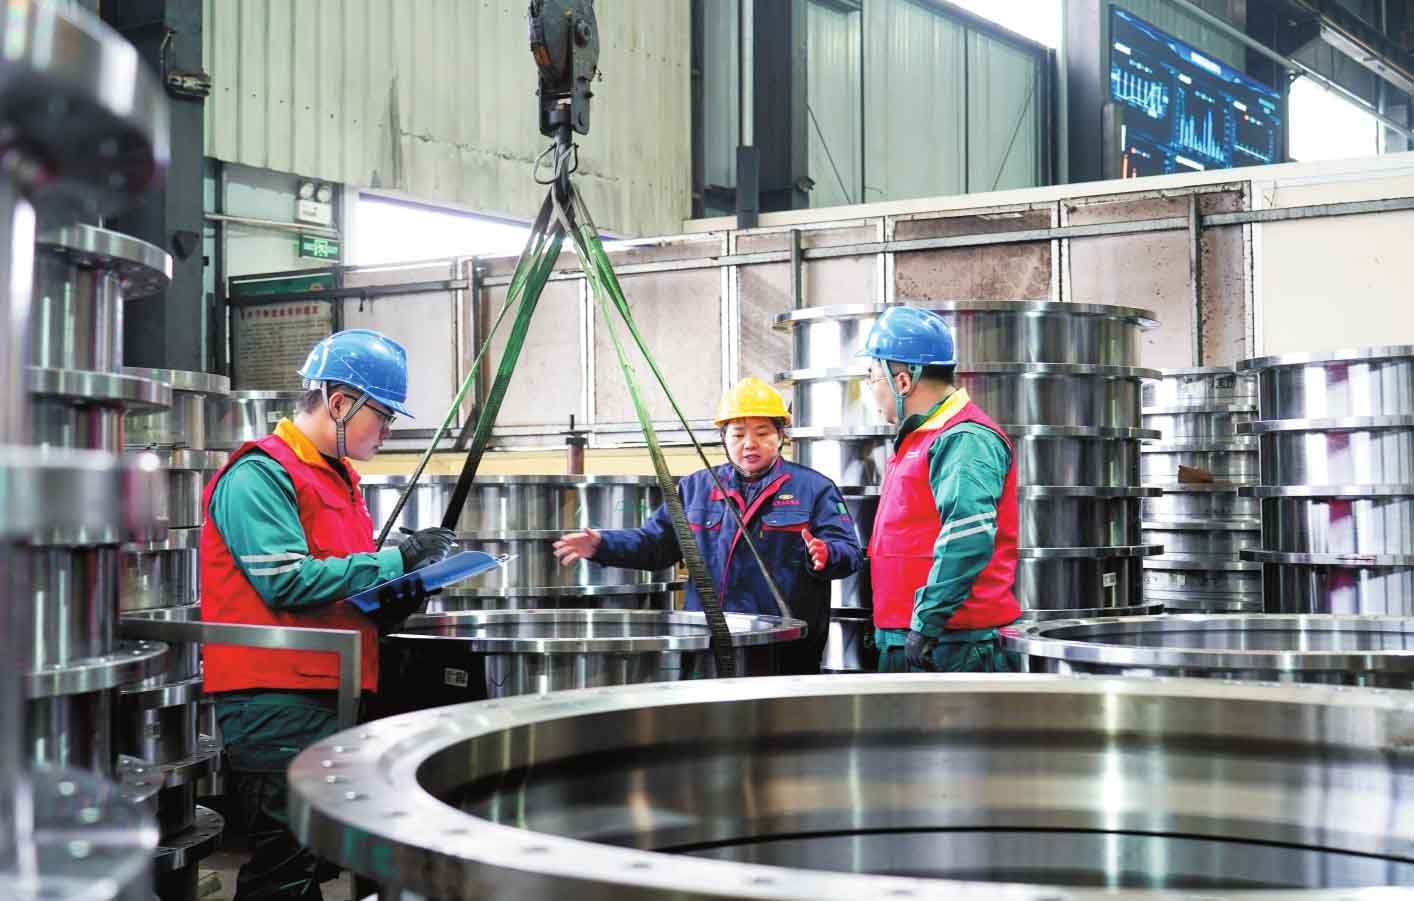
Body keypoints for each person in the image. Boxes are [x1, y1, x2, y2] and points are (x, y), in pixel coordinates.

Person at [200, 329, 455, 901]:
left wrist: (397, 595)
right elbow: (284, 579)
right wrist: (397, 558)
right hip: (276, 699)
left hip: (330, 689)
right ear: (340, 403)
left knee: (309, 862)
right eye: (382, 416)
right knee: (283, 864)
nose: (387, 432)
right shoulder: (260, 474)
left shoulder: (336, 479)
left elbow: (340, 587)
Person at [553, 377, 861, 674]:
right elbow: (655, 545)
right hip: (707, 642)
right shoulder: (695, 489)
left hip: (783, 649)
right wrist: (602, 545)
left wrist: (826, 554)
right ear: (723, 438)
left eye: (762, 433)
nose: (749, 444)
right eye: (738, 435)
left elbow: (849, 552)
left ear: (781, 436)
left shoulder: (813, 488)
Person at [857, 306, 1020, 673]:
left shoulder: (963, 439)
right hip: (916, 637)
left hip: (950, 645)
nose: (872, 390)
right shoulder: (923, 436)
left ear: (902, 381)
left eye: (872, 377)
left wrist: (927, 621)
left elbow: (968, 536)